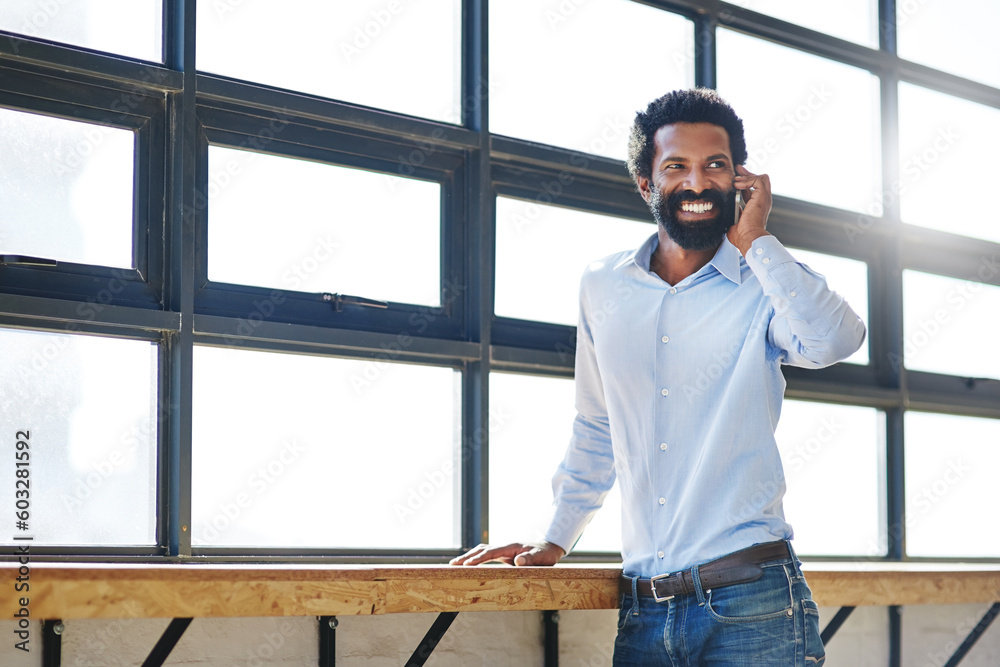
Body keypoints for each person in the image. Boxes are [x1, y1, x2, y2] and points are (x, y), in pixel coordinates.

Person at [451, 88, 865, 665]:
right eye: (676, 166)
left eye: (714, 165)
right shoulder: (602, 286)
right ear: (647, 184)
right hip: (644, 610)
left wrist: (757, 241)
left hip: (755, 605)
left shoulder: (765, 281)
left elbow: (836, 340)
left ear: (738, 180)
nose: (697, 183)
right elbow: (597, 423)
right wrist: (555, 537)